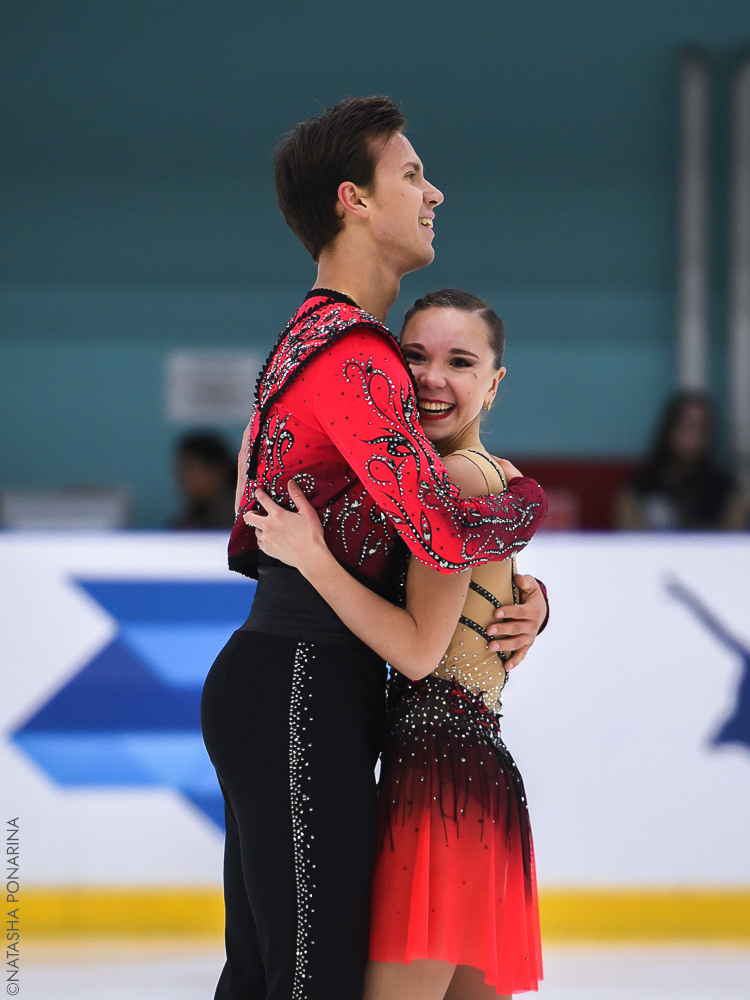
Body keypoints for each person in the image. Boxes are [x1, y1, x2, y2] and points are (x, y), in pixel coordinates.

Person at [200, 97, 548, 1000]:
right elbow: (442, 530)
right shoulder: (351, 359)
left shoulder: (324, 341)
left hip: (306, 675)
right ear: (354, 200)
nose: (435, 192)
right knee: (310, 977)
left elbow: (255, 482)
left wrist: (527, 597)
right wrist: (523, 500)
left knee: (275, 971)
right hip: (301, 673)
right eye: (410, 175)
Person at [246, 289, 543, 999]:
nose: (434, 377)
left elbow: (415, 653)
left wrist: (312, 557)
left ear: (494, 384)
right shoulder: (480, 477)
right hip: (474, 778)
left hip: (437, 785)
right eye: (416, 356)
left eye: (461, 361)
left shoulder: (456, 480)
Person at [614, 389, 748, 530]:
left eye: (703, 428)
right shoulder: (637, 491)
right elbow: (632, 543)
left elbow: (732, 543)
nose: (696, 435)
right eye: (689, 426)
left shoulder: (729, 492)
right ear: (670, 429)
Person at [170, 431, 237, 530]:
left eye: (190, 469)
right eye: (180, 470)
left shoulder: (241, 519)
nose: (182, 478)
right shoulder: (191, 519)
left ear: (218, 471)